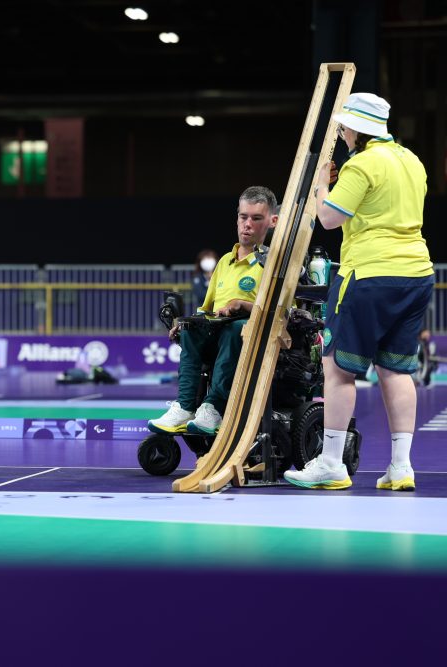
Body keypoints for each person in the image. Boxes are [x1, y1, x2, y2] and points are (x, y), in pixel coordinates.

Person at [286, 92, 433, 491]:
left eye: (344, 126)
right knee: (396, 369)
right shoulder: (411, 160)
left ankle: (332, 463)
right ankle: (401, 467)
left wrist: (321, 184)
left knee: (337, 368)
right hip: (417, 273)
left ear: (354, 127)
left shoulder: (362, 164)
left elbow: (329, 218)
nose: (343, 132)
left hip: (369, 275)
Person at [149, 187, 278, 436]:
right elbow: (205, 309)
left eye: (256, 218)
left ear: (271, 222)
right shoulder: (223, 263)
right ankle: (185, 407)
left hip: (251, 341)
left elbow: (285, 312)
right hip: (215, 338)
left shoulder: (274, 263)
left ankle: (213, 408)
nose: (247, 224)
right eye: (243, 217)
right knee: (190, 330)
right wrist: (186, 323)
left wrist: (243, 304)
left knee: (235, 328)